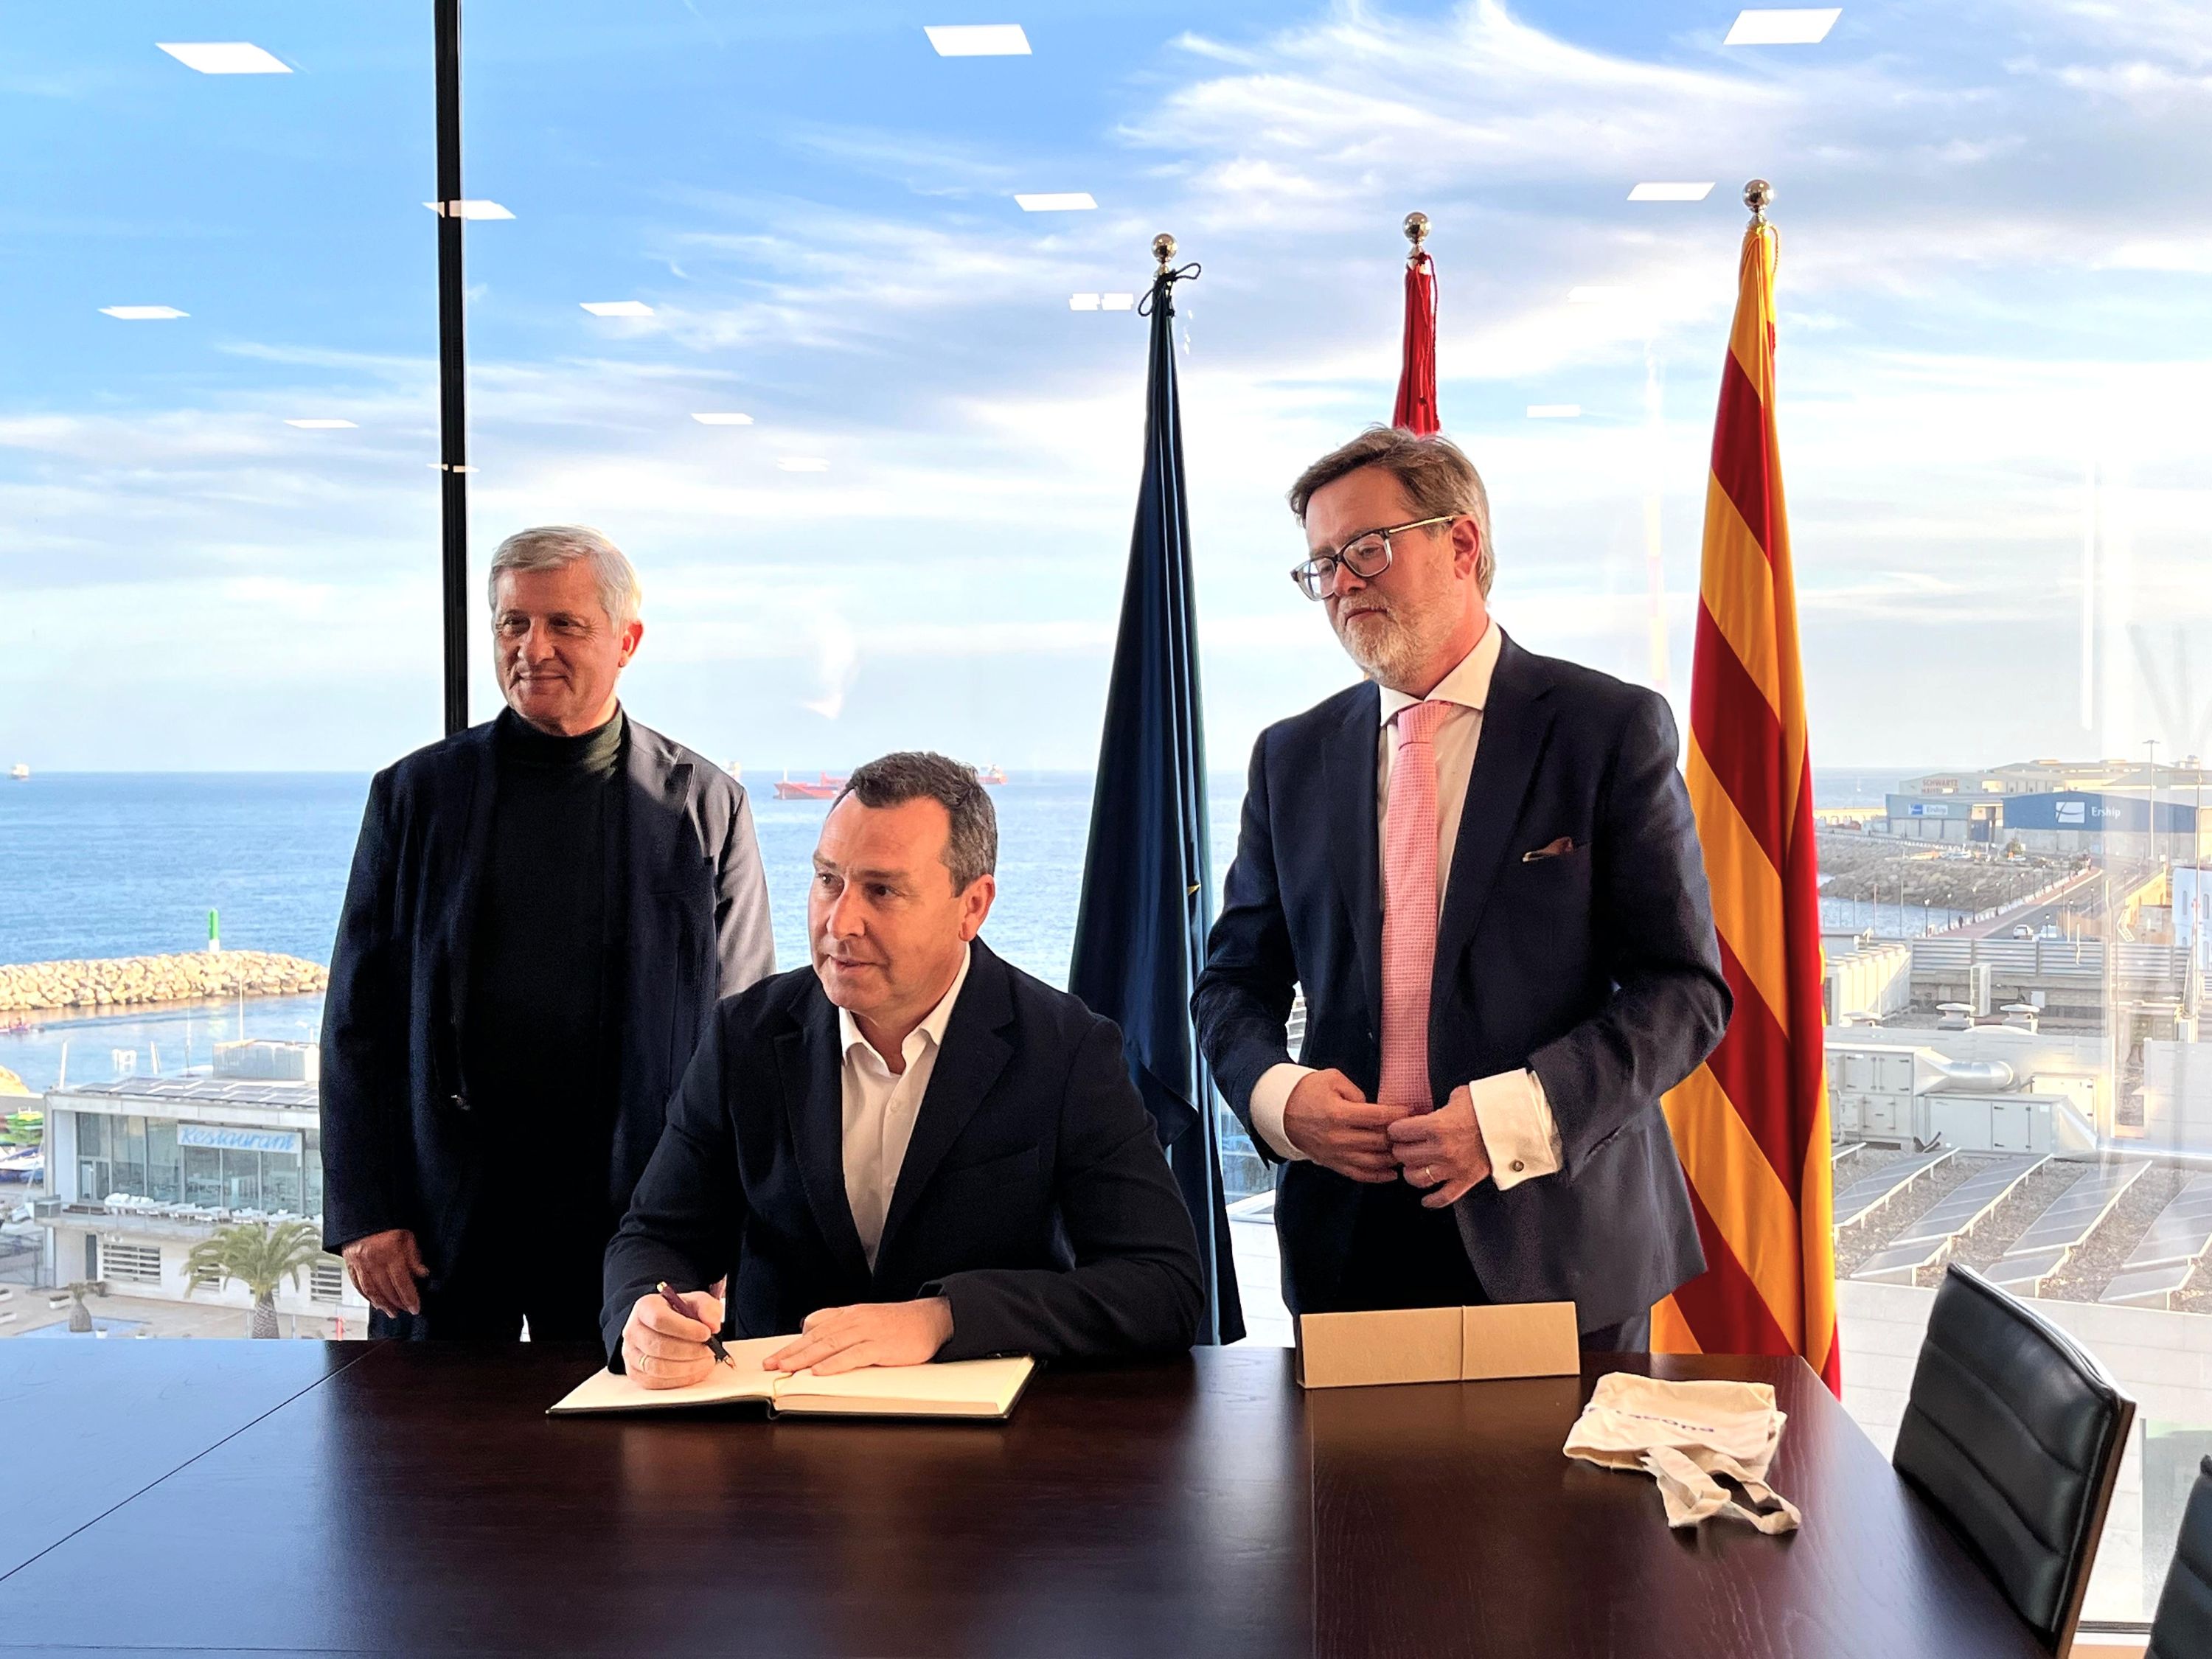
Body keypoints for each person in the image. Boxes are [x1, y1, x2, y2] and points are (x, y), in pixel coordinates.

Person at [1193, 428, 1730, 1351]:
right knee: (1350, 1462)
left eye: (1366, 549)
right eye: (1322, 565)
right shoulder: (1291, 757)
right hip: (1349, 1245)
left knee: (1569, 1463)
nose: (1342, 583)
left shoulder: (1606, 729)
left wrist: (1509, 1118)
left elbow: (1684, 991)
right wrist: (1280, 1098)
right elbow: (1232, 983)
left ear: (1462, 544)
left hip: (1558, 1239)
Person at [605, 751, 1202, 1386]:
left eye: (882, 891)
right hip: (777, 1413)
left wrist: (944, 1318)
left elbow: (1163, 1285)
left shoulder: (1065, 1049)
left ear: (973, 906)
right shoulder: (743, 1035)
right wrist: (644, 1315)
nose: (840, 921)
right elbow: (655, 1237)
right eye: (828, 880)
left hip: (988, 1427)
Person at [320, 525, 776, 1339]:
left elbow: (740, 1037)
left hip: (636, 1216)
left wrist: (721, 1226)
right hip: (444, 1215)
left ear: (626, 641)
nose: (534, 648)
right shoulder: (415, 796)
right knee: (427, 1427)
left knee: (632, 1425)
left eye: (565, 624)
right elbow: (359, 1019)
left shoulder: (706, 807)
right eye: (513, 624)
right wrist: (366, 1211)